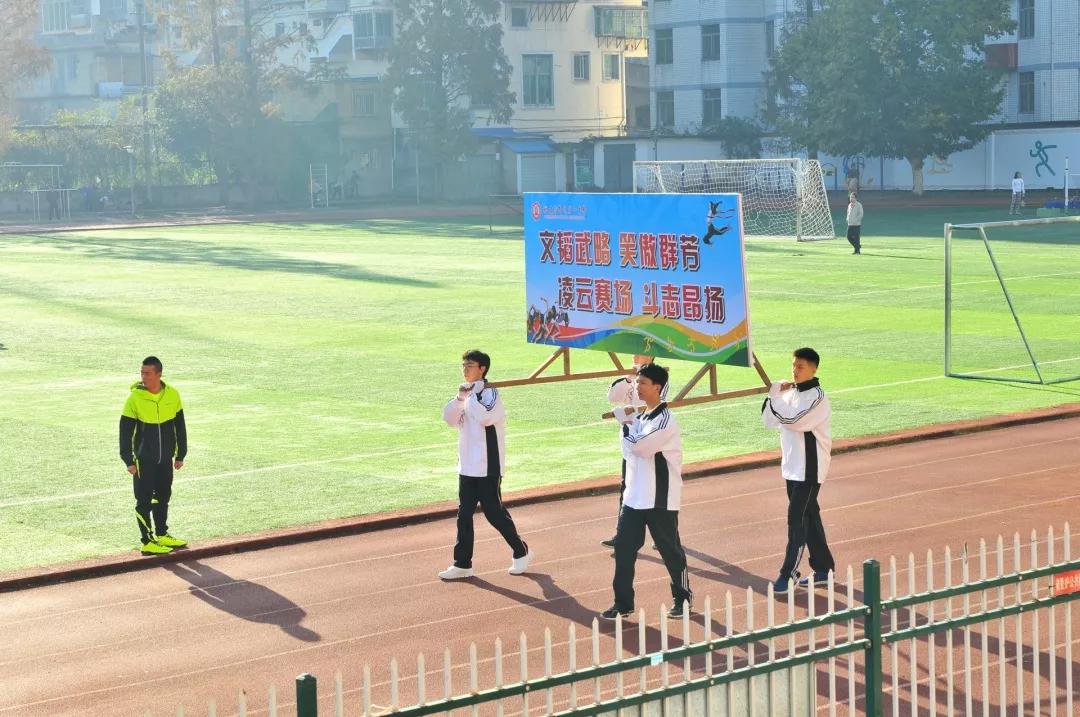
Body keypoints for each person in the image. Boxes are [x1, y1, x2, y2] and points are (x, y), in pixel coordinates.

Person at [602, 363, 692, 620]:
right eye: (637, 382)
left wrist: (625, 425)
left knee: (669, 550)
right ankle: (623, 603)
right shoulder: (641, 418)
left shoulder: (665, 420)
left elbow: (640, 448)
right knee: (624, 549)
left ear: (657, 387)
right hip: (634, 497)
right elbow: (627, 451)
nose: (638, 387)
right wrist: (629, 425)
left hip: (659, 498)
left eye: (643, 383)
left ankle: (683, 598)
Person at [439, 350, 533, 579]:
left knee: (494, 513)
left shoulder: (491, 394)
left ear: (482, 369)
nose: (465, 369)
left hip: (487, 465)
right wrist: (460, 398)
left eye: (469, 365)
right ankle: (462, 563)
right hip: (467, 466)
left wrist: (470, 397)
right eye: (463, 365)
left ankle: (521, 550)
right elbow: (449, 418)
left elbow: (486, 418)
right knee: (464, 514)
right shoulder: (466, 395)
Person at [760, 347, 835, 593]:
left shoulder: (817, 397)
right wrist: (774, 395)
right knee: (809, 516)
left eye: (800, 366)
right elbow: (768, 420)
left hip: (809, 469)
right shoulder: (790, 393)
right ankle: (824, 569)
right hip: (791, 468)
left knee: (797, 519)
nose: (795, 370)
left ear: (814, 369)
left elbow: (794, 421)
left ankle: (788, 573)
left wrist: (775, 397)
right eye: (793, 365)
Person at [119, 356, 188, 555]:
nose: (143, 377)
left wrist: (181, 454)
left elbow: (180, 426)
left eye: (147, 373)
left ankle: (162, 534)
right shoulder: (134, 399)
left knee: (163, 496)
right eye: (142, 373)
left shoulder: (173, 394)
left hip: (165, 459)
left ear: (159, 374)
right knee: (144, 500)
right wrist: (128, 460)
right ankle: (147, 541)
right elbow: (125, 432)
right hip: (143, 461)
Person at [603, 354, 667, 548]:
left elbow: (654, 405)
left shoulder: (659, 375)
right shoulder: (630, 376)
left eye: (639, 350)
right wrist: (630, 378)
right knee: (628, 489)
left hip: (651, 442)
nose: (634, 353)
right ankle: (623, 535)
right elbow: (612, 397)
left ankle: (664, 536)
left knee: (655, 489)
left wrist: (628, 413)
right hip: (631, 444)